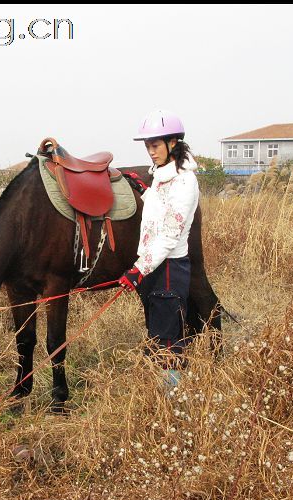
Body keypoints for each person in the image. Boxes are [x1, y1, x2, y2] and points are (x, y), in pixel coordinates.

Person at [118, 110, 200, 389]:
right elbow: (158, 211)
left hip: (169, 269)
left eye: (155, 146)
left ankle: (170, 405)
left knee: (167, 343)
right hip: (154, 267)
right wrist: (144, 190)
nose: (150, 152)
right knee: (156, 336)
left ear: (173, 142)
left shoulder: (185, 181)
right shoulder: (161, 177)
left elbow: (169, 234)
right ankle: (159, 397)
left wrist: (137, 270)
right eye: (147, 147)